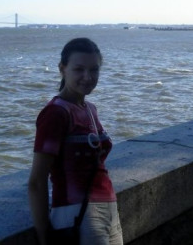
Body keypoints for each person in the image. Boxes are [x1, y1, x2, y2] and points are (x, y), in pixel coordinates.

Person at [28, 38, 123, 245]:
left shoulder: (90, 109)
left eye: (94, 70)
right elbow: (36, 181)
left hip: (109, 210)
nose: (87, 77)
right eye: (79, 69)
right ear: (62, 69)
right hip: (78, 213)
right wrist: (44, 236)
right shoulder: (55, 113)